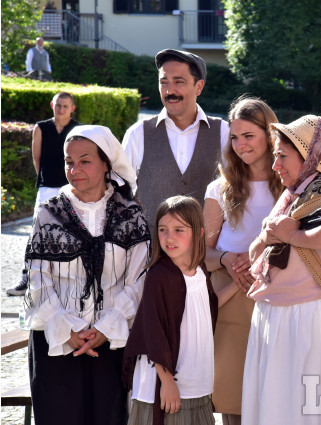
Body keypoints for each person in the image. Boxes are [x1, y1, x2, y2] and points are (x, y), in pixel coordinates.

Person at [24, 125, 151, 425]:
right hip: (56, 343)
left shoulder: (130, 215)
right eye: (69, 161)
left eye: (84, 160)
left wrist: (106, 327)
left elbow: (139, 280)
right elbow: (37, 278)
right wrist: (67, 328)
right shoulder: (48, 213)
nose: (74, 169)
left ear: (106, 163)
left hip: (111, 343)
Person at [243, 115, 321, 425]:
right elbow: (257, 250)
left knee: (296, 407)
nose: (275, 165)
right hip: (284, 314)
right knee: (281, 405)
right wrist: (270, 236)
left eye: (282, 156)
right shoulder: (294, 193)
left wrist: (291, 236)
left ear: (310, 156)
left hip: (305, 318)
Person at [203, 96, 283, 425]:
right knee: (232, 395)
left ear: (270, 134)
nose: (240, 145)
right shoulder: (219, 189)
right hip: (230, 295)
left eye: (248, 136)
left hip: (278, 295)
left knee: (275, 392)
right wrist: (225, 258)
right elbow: (198, 255)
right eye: (234, 137)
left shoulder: (292, 187)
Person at [123, 196, 236, 425]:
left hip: (196, 380)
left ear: (199, 233)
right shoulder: (159, 276)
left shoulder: (200, 270)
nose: (169, 237)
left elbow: (208, 306)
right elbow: (152, 331)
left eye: (178, 230)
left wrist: (238, 286)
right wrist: (167, 382)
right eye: (163, 230)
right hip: (167, 385)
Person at [122, 49, 229, 230]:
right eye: (164, 82)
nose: (170, 90)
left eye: (179, 82)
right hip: (151, 252)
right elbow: (120, 195)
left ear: (199, 87)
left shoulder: (223, 131)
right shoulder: (137, 133)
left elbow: (238, 190)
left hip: (206, 252)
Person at [7, 91, 78, 296]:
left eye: (65, 106)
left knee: (69, 233)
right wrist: (46, 180)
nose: (61, 109)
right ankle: (27, 278)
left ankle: (63, 282)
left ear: (72, 108)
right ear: (52, 105)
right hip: (47, 187)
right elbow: (36, 158)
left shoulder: (78, 129)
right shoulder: (41, 128)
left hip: (70, 189)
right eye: (58, 105)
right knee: (37, 233)